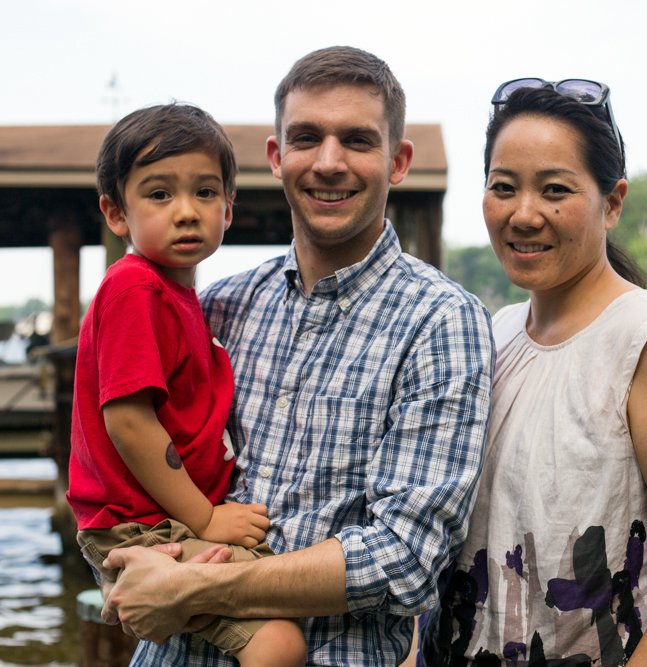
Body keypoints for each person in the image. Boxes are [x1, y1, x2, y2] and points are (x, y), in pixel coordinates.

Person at [100, 46, 495, 666]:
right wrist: (126, 563)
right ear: (277, 157)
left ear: (398, 162)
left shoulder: (442, 321)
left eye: (358, 141)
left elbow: (405, 559)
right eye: (307, 138)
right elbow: (135, 452)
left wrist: (193, 586)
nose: (329, 162)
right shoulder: (221, 306)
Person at [418, 80, 647, 666]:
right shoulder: (494, 334)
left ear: (613, 201)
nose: (524, 214)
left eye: (555, 190)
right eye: (503, 188)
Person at [66, 103, 307, 667]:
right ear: (115, 212)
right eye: (158, 194)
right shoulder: (134, 291)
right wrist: (206, 518)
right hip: (144, 526)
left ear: (228, 209)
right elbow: (127, 420)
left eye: (204, 192)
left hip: (159, 518)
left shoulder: (181, 299)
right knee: (279, 640)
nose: (185, 212)